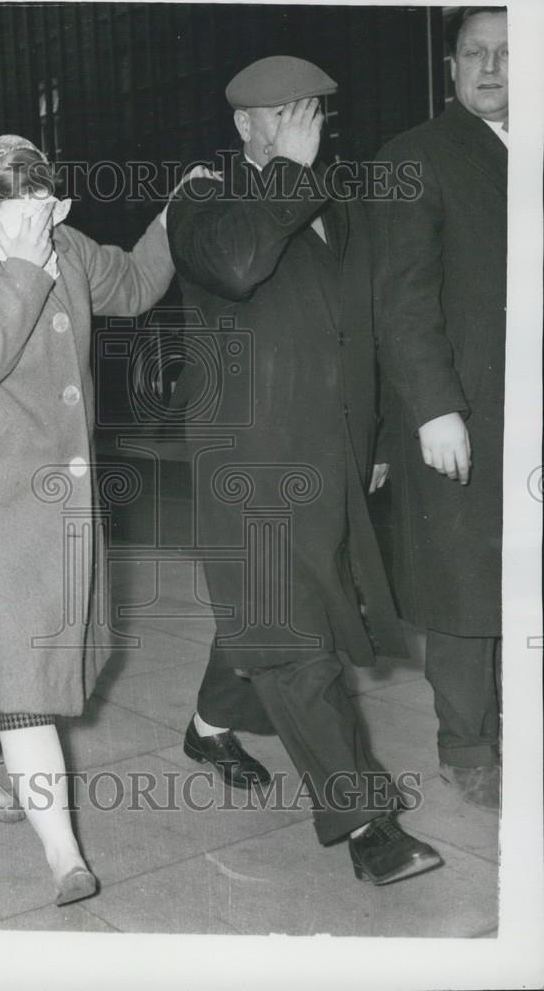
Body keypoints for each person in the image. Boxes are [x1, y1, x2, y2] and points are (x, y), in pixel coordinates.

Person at [168, 56, 442, 884]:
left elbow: (365, 324)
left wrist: (383, 438)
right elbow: (238, 266)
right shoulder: (202, 196)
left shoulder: (339, 199)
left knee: (279, 602)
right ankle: (366, 825)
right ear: (247, 126)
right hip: (246, 454)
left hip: (334, 450)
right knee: (290, 632)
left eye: (315, 112)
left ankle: (210, 722)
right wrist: (284, 171)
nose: (309, 128)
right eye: (287, 115)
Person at [0, 135, 174, 905]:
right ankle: (65, 858)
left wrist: (172, 216)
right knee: (20, 668)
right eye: (16, 215)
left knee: (3, 649)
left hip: (53, 490)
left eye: (45, 211)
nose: (36, 228)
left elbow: (132, 284)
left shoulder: (66, 243)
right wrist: (22, 267)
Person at [370, 7, 507, 811]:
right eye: (472, 53)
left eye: (507, 55)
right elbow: (402, 302)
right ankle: (467, 746)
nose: (489, 68)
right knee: (463, 591)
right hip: (464, 415)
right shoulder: (414, 159)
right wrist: (431, 410)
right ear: (451, 66)